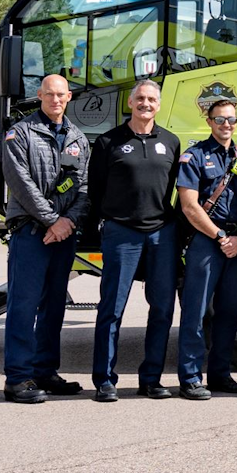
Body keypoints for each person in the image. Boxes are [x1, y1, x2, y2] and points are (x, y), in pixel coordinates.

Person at [87, 78, 183, 402]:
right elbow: (96, 189)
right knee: (112, 308)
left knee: (162, 308)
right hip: (121, 233)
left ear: (159, 104)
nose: (145, 104)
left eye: (151, 99)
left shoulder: (171, 142)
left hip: (161, 233)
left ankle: (151, 379)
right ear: (130, 103)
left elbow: (172, 188)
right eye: (140, 98)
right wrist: (111, 220)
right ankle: (104, 380)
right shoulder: (107, 142)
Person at [0, 73, 88, 404]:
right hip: (31, 232)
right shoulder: (20, 133)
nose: (55, 99)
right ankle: (18, 378)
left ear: (69, 97)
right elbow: (20, 182)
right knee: (23, 305)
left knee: (54, 306)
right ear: (39, 96)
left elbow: (84, 186)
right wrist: (53, 220)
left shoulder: (78, 138)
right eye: (49, 94)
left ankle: (45, 371)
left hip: (64, 233)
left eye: (61, 95)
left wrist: (68, 221)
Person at [175, 97, 237, 399]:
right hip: (206, 242)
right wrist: (221, 236)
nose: (226, 125)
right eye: (220, 119)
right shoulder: (194, 156)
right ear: (209, 122)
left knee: (229, 313)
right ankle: (191, 377)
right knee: (196, 313)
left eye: (231, 120)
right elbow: (189, 206)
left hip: (236, 244)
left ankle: (220, 374)